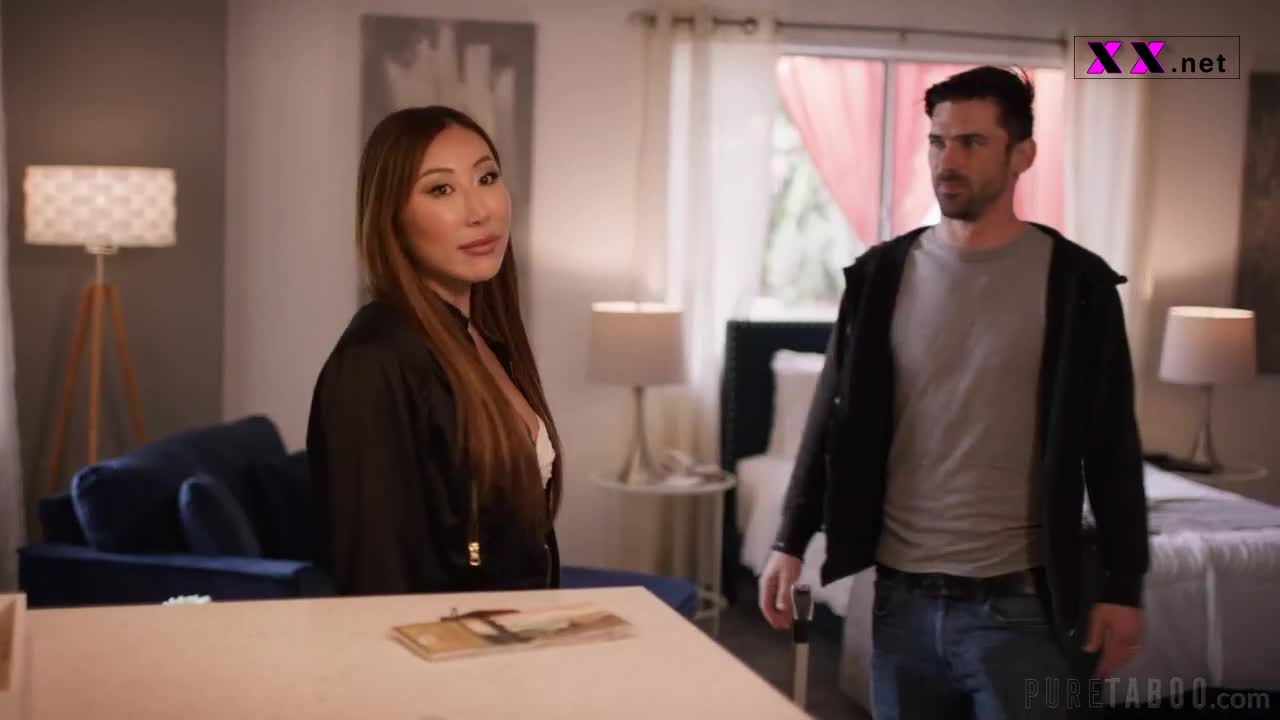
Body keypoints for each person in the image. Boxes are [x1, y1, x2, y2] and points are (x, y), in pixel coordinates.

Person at [757, 66, 1149, 718]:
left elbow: (1112, 446)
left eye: (971, 142)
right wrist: (788, 540)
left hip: (1023, 609)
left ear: (1022, 155)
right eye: (938, 142)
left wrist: (1124, 584)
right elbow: (831, 419)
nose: (948, 160)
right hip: (900, 605)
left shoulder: (1078, 286)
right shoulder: (880, 278)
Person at [307, 105, 563, 596]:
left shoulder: (481, 341)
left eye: (486, 178)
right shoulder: (373, 363)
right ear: (393, 217)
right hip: (447, 643)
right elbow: (375, 582)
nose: (479, 211)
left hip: (516, 635)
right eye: (441, 189)